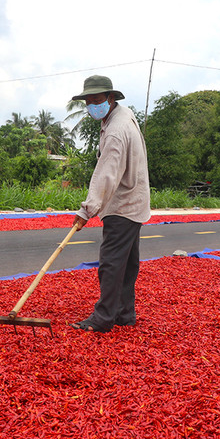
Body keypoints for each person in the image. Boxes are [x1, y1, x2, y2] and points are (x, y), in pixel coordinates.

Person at [70, 75, 151, 333]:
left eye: (97, 100)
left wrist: (86, 210)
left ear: (110, 98)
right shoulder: (121, 116)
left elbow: (107, 173)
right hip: (134, 201)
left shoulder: (116, 130)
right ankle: (124, 313)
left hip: (123, 205)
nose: (93, 105)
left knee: (111, 263)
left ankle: (103, 318)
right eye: (89, 101)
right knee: (127, 263)